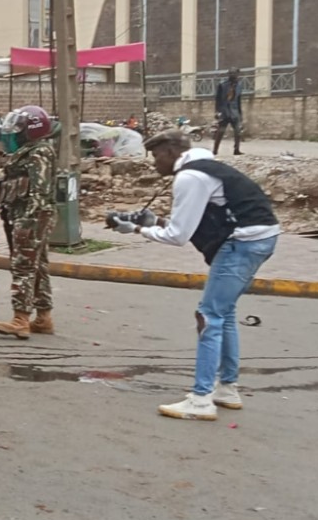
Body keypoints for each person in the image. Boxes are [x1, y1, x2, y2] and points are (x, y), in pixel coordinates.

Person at [113, 130, 280, 421]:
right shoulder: (210, 168)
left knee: (208, 316)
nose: (154, 164)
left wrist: (137, 229)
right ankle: (227, 389)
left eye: (155, 157)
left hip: (241, 244)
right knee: (224, 313)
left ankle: (201, 400)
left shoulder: (189, 177)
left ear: (169, 152)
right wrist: (156, 222)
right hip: (261, 239)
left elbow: (178, 236)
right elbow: (199, 221)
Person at [0, 105, 59, 339]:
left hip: (32, 217)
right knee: (37, 266)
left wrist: (28, 223)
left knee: (23, 266)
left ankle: (20, 319)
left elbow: (39, 192)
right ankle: (43, 318)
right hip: (26, 216)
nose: (13, 135)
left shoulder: (38, 152)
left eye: (18, 130)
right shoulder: (30, 150)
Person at [214, 68, 245, 156]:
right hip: (224, 111)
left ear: (238, 74)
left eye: (234, 73)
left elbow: (238, 100)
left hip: (234, 112)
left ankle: (236, 150)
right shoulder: (222, 85)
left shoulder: (239, 85)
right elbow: (218, 99)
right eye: (231, 73)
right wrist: (217, 111)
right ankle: (215, 150)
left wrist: (240, 113)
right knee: (220, 132)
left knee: (238, 131)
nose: (232, 75)